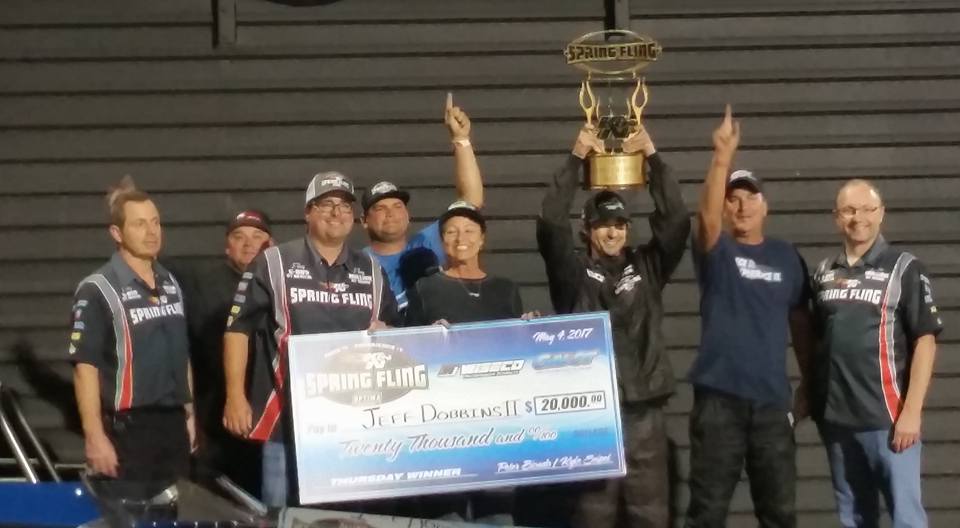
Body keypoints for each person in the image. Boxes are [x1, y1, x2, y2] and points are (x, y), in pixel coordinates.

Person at [531, 123, 689, 528]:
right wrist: (575, 158)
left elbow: (676, 221)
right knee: (593, 517)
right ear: (587, 229)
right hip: (592, 414)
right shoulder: (572, 272)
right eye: (603, 225)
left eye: (619, 225)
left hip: (644, 412)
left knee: (650, 517)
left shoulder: (647, 266)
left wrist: (652, 157)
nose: (613, 231)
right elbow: (550, 223)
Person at [221, 171, 397, 507]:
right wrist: (235, 396)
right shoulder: (273, 261)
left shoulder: (372, 270)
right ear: (307, 212)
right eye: (326, 204)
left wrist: (389, 335)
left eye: (344, 206)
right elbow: (237, 329)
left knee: (348, 517)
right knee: (280, 514)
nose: (336, 213)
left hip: (353, 424)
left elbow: (392, 334)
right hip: (283, 421)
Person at [684, 105, 816, 528]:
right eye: (733, 200)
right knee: (707, 513)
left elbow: (801, 327)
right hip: (718, 402)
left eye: (750, 198)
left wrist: (809, 384)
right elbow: (706, 220)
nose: (741, 207)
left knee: (779, 513)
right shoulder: (717, 250)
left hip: (772, 406)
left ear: (765, 206)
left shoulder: (787, 257)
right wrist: (721, 157)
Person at [811, 179, 942, 528]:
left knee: (906, 519)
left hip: (889, 422)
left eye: (868, 209)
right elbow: (818, 341)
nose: (859, 218)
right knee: (853, 519)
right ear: (836, 217)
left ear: (881, 213)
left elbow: (926, 341)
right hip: (839, 422)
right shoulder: (824, 273)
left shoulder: (904, 267)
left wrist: (911, 412)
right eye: (849, 210)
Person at [67, 177, 195, 488]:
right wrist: (94, 436)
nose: (152, 232)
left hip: (173, 426)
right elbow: (85, 368)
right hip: (128, 430)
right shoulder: (97, 289)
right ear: (117, 233)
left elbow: (182, 354)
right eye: (139, 224)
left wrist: (190, 415)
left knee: (178, 511)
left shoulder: (170, 282)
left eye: (155, 222)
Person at [165, 209, 273, 495]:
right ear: (227, 246)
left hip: (270, 419)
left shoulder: (283, 282)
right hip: (214, 420)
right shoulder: (201, 283)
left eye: (257, 236)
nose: (249, 244)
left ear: (271, 245)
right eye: (239, 237)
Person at [363, 93, 484, 312]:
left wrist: (461, 140)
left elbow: (471, 200)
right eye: (380, 208)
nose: (390, 213)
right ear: (364, 221)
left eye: (397, 206)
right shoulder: (357, 263)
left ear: (408, 215)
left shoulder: (426, 244)